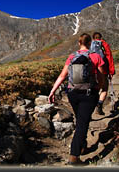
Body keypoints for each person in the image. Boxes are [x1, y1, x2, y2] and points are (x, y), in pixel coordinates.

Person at [48, 33, 105, 165]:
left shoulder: (72, 57)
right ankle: (74, 156)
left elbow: (62, 76)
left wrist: (52, 91)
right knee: (82, 123)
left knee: (81, 120)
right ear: (90, 43)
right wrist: (98, 88)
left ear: (79, 43)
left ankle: (82, 146)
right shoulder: (95, 56)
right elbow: (102, 77)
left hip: (72, 94)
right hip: (89, 94)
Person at [90, 32, 115, 115]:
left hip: (92, 71)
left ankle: (89, 109)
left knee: (93, 90)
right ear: (101, 37)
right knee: (104, 89)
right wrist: (111, 71)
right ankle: (99, 105)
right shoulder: (104, 44)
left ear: (93, 38)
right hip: (103, 70)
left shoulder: (89, 44)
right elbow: (109, 57)